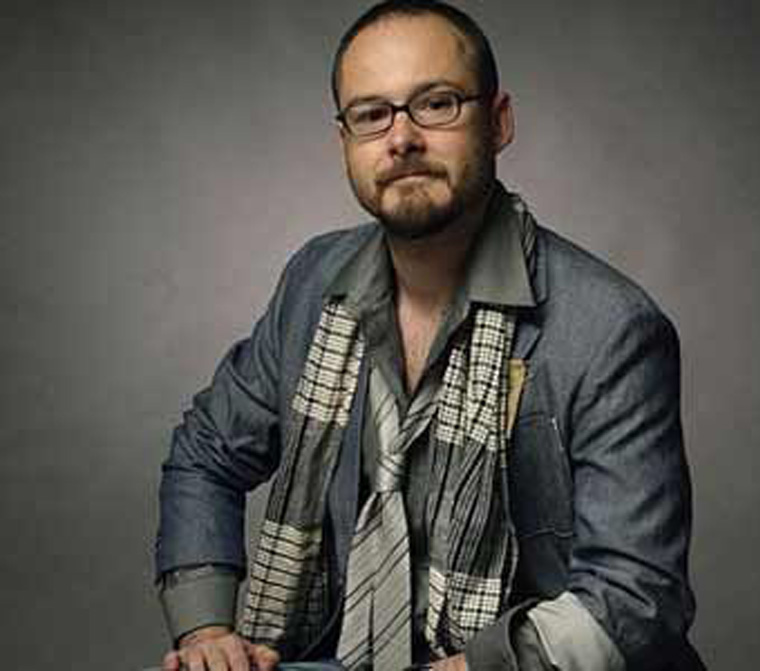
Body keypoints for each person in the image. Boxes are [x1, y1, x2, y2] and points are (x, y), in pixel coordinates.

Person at [155, 1, 705, 670]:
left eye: (436, 104)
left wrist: (479, 666)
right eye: (371, 114)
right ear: (345, 142)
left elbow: (637, 594)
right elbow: (206, 452)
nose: (401, 138)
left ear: (498, 122)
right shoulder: (313, 281)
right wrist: (205, 631)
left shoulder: (610, 328)